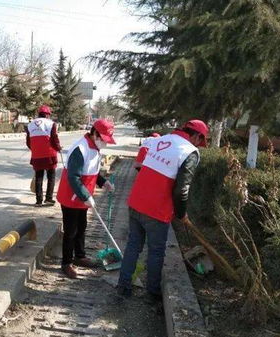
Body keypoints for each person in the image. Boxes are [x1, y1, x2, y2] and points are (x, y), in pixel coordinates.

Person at [117, 120, 209, 302]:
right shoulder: (189, 152)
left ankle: (123, 286)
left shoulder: (160, 140)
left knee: (133, 245)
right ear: (197, 136)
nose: (200, 144)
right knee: (156, 252)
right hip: (156, 210)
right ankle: (152, 293)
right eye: (201, 140)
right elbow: (182, 189)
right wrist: (181, 214)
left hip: (136, 201)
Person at [56, 119, 116, 279]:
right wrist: (85, 196)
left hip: (82, 196)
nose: (106, 143)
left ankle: (80, 256)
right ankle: (66, 263)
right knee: (71, 231)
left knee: (82, 226)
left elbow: (92, 171)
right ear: (95, 133)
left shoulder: (94, 147)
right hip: (71, 196)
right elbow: (73, 177)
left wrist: (104, 182)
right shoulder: (80, 148)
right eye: (104, 139)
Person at [26, 105, 62, 207]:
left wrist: (35, 150)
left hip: (36, 155)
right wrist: (58, 147)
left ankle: (38, 201)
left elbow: (28, 142)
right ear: (47, 115)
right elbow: (54, 139)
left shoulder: (30, 125)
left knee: (39, 177)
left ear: (39, 114)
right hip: (50, 155)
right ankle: (49, 199)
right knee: (51, 176)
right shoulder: (51, 124)